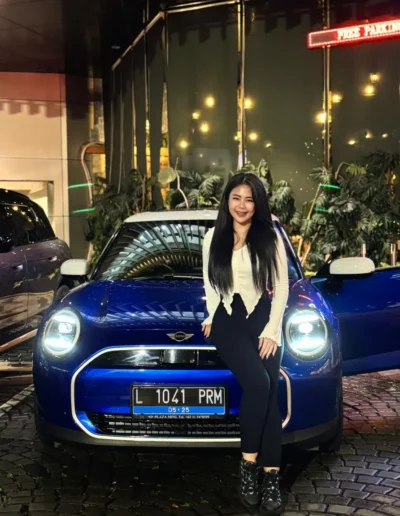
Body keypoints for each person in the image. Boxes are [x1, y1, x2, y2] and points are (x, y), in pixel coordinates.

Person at [201, 171, 289, 515]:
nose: (242, 205)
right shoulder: (213, 237)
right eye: (236, 198)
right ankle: (249, 467)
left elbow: (281, 287)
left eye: (249, 199)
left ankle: (271, 478)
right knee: (259, 383)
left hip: (263, 318)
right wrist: (211, 315)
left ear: (258, 204)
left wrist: (272, 330)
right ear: (227, 200)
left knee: (270, 394)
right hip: (228, 320)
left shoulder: (270, 237)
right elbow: (210, 283)